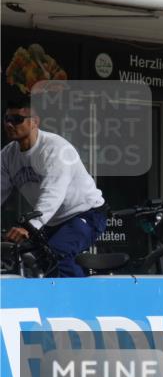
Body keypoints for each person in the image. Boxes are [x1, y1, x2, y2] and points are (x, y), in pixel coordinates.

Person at [1, 92, 108, 277]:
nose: (10, 124)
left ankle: (75, 296)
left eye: (17, 119)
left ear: (34, 122)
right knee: (29, 258)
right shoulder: (7, 155)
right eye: (7, 119)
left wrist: (30, 226)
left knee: (56, 255)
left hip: (85, 213)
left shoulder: (55, 148)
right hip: (52, 221)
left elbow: (52, 193)